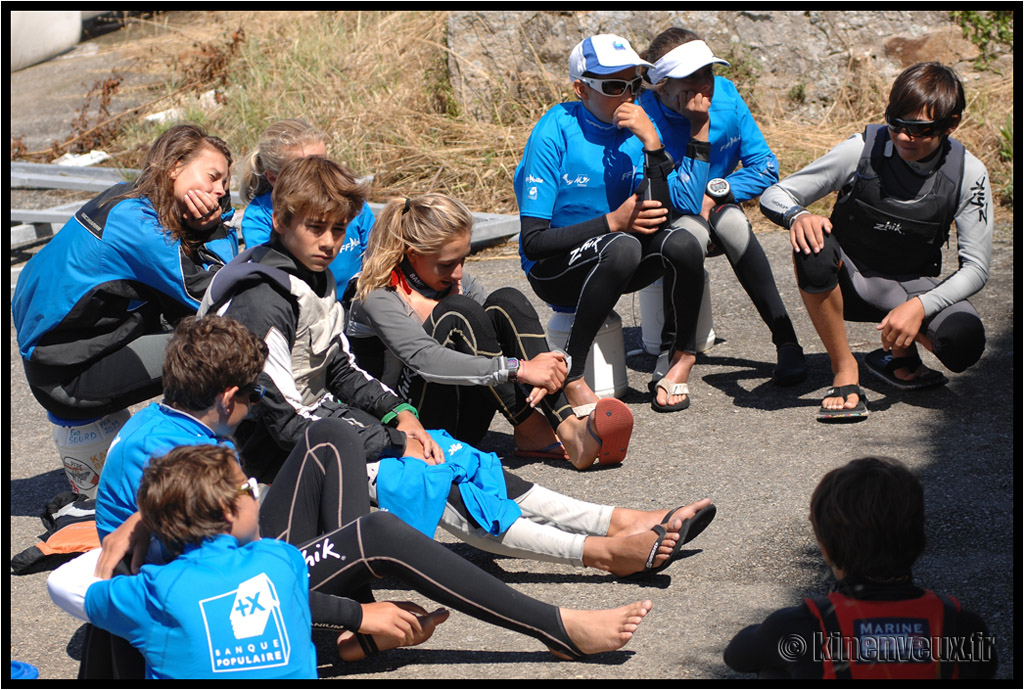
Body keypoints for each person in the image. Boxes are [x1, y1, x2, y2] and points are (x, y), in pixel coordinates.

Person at [196, 159, 716, 576]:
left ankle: (621, 520)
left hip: (324, 430)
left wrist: (401, 414)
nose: (330, 242)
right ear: (281, 221)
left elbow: (341, 370)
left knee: (467, 460)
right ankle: (598, 553)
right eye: (316, 228)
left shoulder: (311, 275)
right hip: (272, 463)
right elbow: (280, 418)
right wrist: (394, 442)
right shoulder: (263, 300)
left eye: (338, 228)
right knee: (434, 475)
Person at [760, 62, 992, 421]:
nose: (902, 137)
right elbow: (775, 194)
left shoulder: (969, 173)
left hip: (909, 291)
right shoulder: (862, 149)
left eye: (919, 130)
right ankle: (844, 369)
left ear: (951, 124)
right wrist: (799, 216)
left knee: (963, 344)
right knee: (813, 241)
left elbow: (976, 268)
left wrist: (921, 306)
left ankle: (896, 356)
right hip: (849, 283)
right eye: (895, 122)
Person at [348, 192, 633, 470]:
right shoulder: (375, 293)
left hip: (465, 424)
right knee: (459, 312)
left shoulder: (452, 280)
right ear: (412, 254)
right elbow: (425, 359)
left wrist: (551, 365)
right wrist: (519, 369)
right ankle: (533, 428)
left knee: (507, 301)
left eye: (464, 260)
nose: (459, 273)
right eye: (447, 264)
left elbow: (493, 335)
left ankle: (567, 426)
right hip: (408, 428)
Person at [513, 33, 708, 414]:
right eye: (615, 85)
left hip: (617, 260)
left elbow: (659, 215)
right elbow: (533, 243)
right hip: (555, 270)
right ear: (581, 89)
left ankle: (681, 356)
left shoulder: (636, 130)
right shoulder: (553, 131)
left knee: (684, 241)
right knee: (623, 243)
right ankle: (572, 373)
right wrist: (612, 222)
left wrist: (652, 144)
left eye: (635, 83)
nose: (628, 95)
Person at [11, 123, 236, 420]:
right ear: (175, 166)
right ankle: (210, 449)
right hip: (67, 379)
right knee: (222, 344)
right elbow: (219, 296)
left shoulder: (124, 198)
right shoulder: (140, 229)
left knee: (183, 314)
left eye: (225, 186)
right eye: (213, 177)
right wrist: (214, 230)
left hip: (53, 358)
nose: (220, 191)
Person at [49, 445, 319, 679]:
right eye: (249, 488)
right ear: (227, 510)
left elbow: (60, 583)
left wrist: (134, 530)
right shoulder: (284, 558)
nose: (256, 496)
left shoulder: (157, 591)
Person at [723, 456, 997, 679]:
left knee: (774, 669)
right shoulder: (960, 621)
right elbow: (987, 669)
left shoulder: (801, 625)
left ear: (826, 549)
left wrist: (774, 631)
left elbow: (736, 656)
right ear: (919, 540)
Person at [638, 27, 807, 386]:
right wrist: (699, 127)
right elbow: (681, 201)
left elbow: (766, 166)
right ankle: (672, 350)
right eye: (691, 76)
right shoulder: (642, 117)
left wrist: (717, 190)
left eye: (708, 72)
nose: (705, 85)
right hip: (663, 222)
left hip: (713, 205)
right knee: (689, 232)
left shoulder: (727, 96)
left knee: (731, 222)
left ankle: (787, 341)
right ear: (662, 85)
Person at [238, 118, 376, 296]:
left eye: (323, 164)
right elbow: (273, 277)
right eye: (305, 170)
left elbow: (377, 260)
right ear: (273, 178)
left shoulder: (349, 201)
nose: (320, 177)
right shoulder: (259, 218)